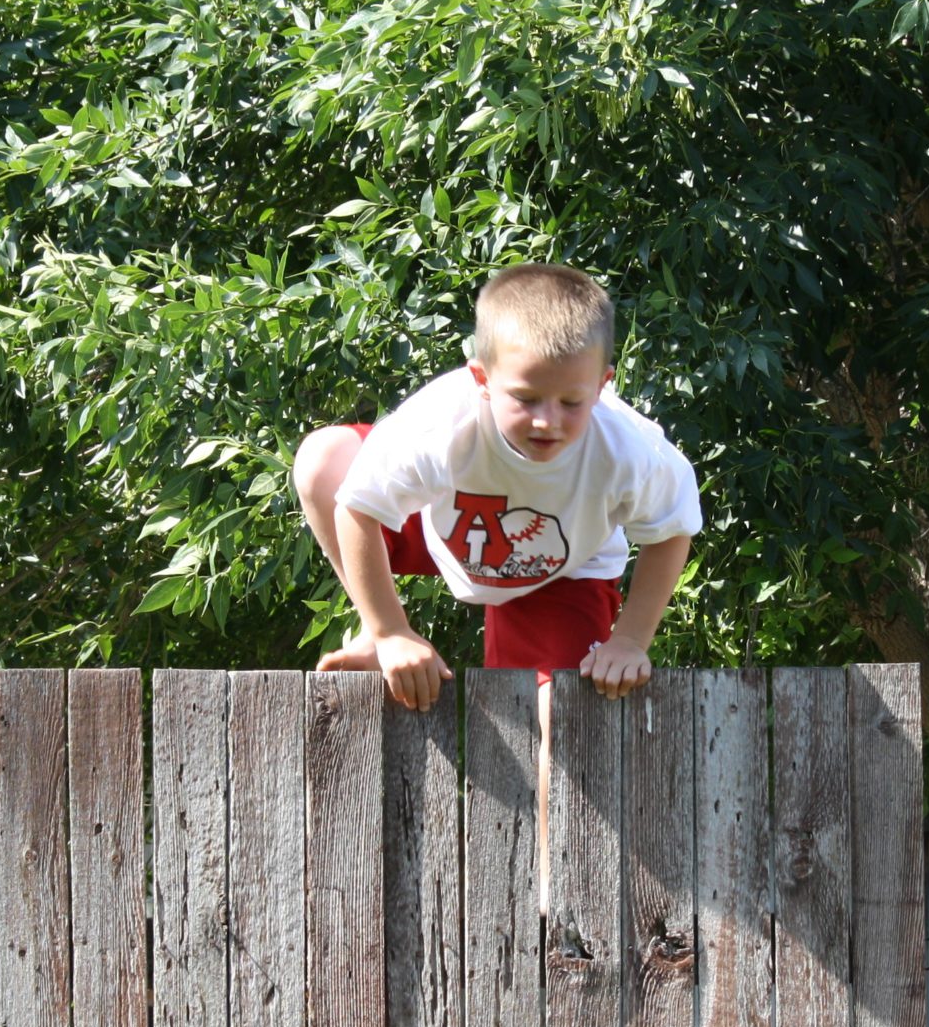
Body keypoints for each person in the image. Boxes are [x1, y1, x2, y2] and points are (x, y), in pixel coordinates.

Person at [294, 263, 700, 710]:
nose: (547, 420)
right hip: (449, 531)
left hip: (563, 570)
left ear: (602, 386)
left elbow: (672, 526)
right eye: (526, 399)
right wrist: (390, 630)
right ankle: (374, 634)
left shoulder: (628, 448)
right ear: (482, 380)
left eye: (571, 402)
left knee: (556, 715)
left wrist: (630, 639)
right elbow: (357, 507)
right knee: (322, 461)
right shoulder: (442, 424)